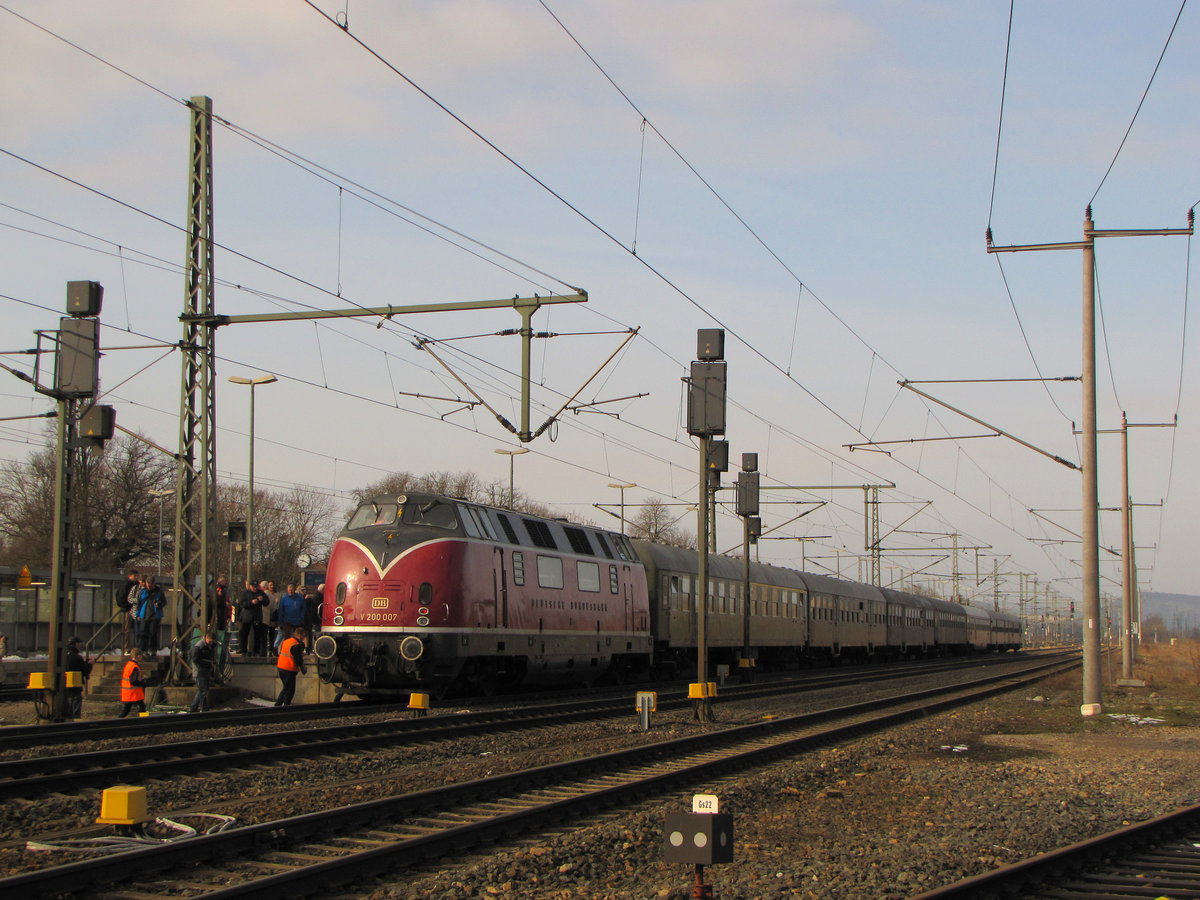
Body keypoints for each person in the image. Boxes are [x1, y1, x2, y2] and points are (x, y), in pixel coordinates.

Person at [274, 626, 307, 706]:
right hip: (289, 668)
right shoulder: (296, 645)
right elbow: (298, 659)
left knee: (286, 687)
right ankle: (284, 705)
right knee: (290, 689)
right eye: (303, 636)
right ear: (299, 635)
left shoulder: (286, 641)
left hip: (281, 667)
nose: (304, 638)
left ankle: (280, 704)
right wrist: (302, 668)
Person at [136, 575, 166, 655]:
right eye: (148, 584)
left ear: (154, 584)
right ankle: (143, 649)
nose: (149, 586)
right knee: (143, 633)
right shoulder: (143, 591)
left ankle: (153, 649)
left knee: (153, 633)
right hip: (144, 614)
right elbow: (139, 603)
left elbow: (164, 602)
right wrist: (137, 614)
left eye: (151, 585)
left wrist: (159, 604)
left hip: (154, 616)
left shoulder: (159, 592)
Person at [65, 636, 93, 719]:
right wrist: (89, 664)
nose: (80, 645)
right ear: (75, 644)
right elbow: (84, 670)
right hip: (76, 683)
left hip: (64, 683)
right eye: (79, 643)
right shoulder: (77, 657)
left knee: (68, 701)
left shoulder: (64, 656)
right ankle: (75, 718)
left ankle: (68, 717)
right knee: (76, 701)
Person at [189, 630, 217, 713]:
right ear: (206, 638)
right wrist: (208, 662)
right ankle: (202, 707)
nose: (211, 643)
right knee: (203, 690)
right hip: (200, 671)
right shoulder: (199, 646)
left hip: (206, 670)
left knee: (203, 690)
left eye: (212, 642)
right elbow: (195, 659)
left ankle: (194, 707)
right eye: (210, 641)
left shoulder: (210, 646)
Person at [237, 579, 265, 656]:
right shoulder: (245, 593)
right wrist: (251, 602)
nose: (255, 588)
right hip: (247, 617)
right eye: (253, 586)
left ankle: (256, 651)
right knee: (244, 634)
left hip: (257, 616)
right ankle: (243, 650)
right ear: (250, 586)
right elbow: (241, 604)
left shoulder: (261, 592)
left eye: (256, 586)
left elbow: (267, 602)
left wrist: (262, 600)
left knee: (257, 635)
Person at [117, 648, 148, 717]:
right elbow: (133, 681)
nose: (141, 657)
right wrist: (143, 684)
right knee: (142, 708)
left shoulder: (129, 665)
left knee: (126, 711)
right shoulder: (134, 667)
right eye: (141, 655)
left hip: (128, 693)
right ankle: (144, 722)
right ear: (137, 656)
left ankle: (117, 722)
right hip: (133, 693)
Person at [277, 583, 306, 650]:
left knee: (298, 636)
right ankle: (287, 649)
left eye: (292, 590)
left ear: (294, 590)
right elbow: (281, 610)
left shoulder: (300, 598)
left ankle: (298, 649)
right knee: (287, 636)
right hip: (287, 620)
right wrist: (280, 622)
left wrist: (301, 617)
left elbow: (303, 609)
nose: (290, 591)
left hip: (297, 620)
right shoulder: (284, 598)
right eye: (289, 590)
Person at [118, 570, 140, 654]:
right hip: (129, 609)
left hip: (134, 609)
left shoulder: (135, 584)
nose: (137, 578)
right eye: (135, 576)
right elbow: (121, 597)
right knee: (127, 629)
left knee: (134, 629)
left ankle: (133, 647)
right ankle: (126, 647)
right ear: (130, 576)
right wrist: (126, 607)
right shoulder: (126, 585)